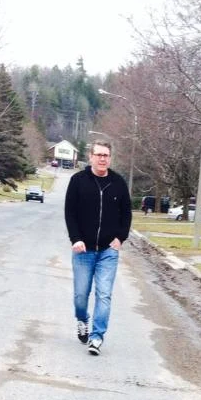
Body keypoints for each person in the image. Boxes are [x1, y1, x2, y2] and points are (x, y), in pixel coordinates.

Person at [64, 141, 132, 356]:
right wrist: (75, 239)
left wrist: (120, 238)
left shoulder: (118, 183)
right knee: (80, 296)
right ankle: (82, 320)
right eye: (99, 155)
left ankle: (96, 337)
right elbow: (70, 212)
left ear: (110, 158)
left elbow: (126, 214)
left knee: (104, 295)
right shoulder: (78, 181)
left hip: (107, 252)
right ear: (91, 157)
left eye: (106, 155)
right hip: (83, 250)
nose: (103, 159)